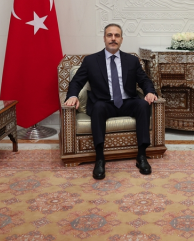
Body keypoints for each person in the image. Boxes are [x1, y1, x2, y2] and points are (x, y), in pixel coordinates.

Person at [65, 23, 158, 179]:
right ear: (104, 38)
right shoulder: (91, 61)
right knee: (99, 107)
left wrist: (150, 92)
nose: (113, 39)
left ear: (121, 39)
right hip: (104, 103)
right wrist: (72, 95)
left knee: (142, 104)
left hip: (127, 102)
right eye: (109, 35)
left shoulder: (132, 60)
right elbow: (76, 82)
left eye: (116, 36)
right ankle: (100, 158)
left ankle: (141, 155)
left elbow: (144, 80)